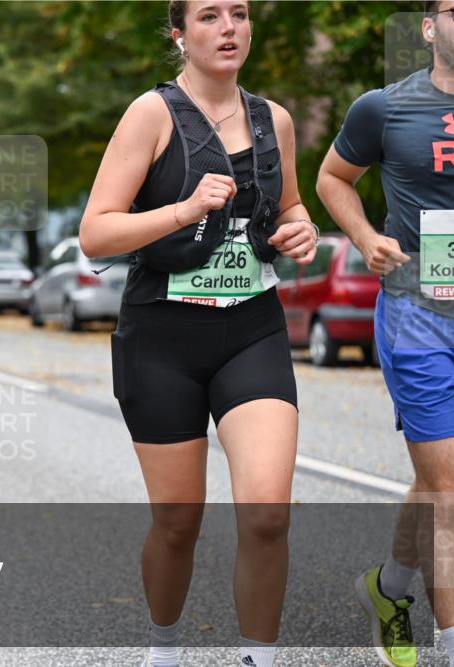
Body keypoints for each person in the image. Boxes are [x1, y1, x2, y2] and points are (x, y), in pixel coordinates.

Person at [78, 2, 318, 665]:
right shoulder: (150, 115)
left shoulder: (277, 120)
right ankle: (164, 647)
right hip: (162, 338)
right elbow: (96, 231)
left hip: (253, 330)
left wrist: (302, 228)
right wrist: (182, 210)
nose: (229, 27)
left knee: (268, 512)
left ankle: (256, 658)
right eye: (209, 15)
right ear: (179, 34)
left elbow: (291, 204)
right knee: (179, 521)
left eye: (239, 13)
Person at [316, 3, 454, 665]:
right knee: (451, 489)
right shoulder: (384, 107)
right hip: (417, 314)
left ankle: (390, 587)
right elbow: (332, 178)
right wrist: (367, 236)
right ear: (428, 26)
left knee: (437, 480)